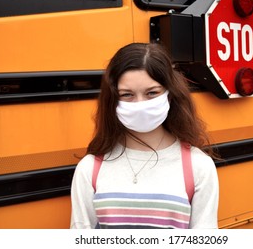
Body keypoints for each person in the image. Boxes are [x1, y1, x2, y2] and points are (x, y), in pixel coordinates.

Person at [70, 42, 219, 229]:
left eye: (152, 93)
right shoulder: (90, 169)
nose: (140, 104)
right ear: (113, 99)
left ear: (170, 94)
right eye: (127, 95)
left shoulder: (199, 167)